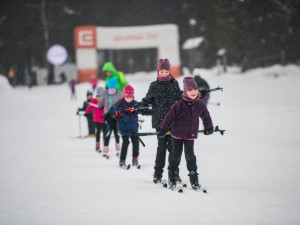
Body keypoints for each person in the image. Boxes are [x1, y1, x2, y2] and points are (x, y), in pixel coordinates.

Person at [159, 77, 214, 190]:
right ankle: (172, 176)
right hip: (177, 135)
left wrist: (209, 127)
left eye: (195, 89)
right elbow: (169, 117)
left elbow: (206, 116)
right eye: (190, 90)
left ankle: (194, 179)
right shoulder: (178, 105)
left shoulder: (199, 105)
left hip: (190, 135)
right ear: (185, 92)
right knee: (175, 156)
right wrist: (163, 128)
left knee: (190, 157)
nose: (193, 92)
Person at [135, 58, 182, 184]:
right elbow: (148, 99)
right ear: (158, 72)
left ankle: (174, 173)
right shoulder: (154, 85)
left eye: (166, 71)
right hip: (160, 122)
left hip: (174, 121)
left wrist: (190, 95)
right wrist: (141, 104)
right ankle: (158, 174)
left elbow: (180, 97)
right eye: (161, 71)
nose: (164, 73)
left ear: (169, 71)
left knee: (173, 149)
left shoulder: (174, 84)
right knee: (161, 148)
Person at [109, 85, 145, 167]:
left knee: (136, 143)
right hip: (123, 128)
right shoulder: (119, 104)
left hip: (134, 128)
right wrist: (114, 116)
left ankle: (135, 158)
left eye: (130, 97)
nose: (129, 99)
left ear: (133, 96)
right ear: (124, 96)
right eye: (127, 97)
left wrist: (152, 112)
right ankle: (122, 160)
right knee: (126, 142)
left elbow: (144, 110)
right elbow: (112, 111)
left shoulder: (136, 104)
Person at [97, 77, 123, 158]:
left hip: (117, 115)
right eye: (110, 87)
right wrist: (100, 106)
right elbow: (100, 102)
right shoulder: (104, 93)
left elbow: (124, 103)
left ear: (116, 87)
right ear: (108, 86)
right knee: (108, 132)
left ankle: (118, 149)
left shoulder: (120, 94)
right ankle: (105, 149)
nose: (112, 89)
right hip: (108, 115)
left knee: (117, 132)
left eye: (113, 88)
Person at [86, 87, 106, 152]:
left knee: (98, 132)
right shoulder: (104, 100)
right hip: (102, 119)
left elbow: (89, 107)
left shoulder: (94, 100)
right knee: (104, 132)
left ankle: (98, 145)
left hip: (97, 119)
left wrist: (87, 112)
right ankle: (105, 145)